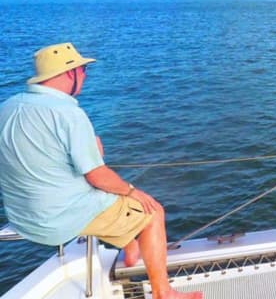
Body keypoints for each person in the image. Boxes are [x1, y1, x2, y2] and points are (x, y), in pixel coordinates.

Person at [0, 43, 202, 299]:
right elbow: (97, 176)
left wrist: (90, 154)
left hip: (20, 215)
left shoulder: (8, 106)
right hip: (56, 219)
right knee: (151, 211)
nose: (84, 74)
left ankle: (131, 250)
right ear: (68, 74)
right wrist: (133, 190)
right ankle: (164, 292)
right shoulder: (69, 114)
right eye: (82, 69)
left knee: (112, 198)